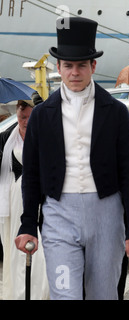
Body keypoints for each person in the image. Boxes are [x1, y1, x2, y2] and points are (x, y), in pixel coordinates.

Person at [14, 17, 129, 300]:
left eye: (81, 65)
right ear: (58, 68)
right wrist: (28, 224)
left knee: (103, 295)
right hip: (59, 214)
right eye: (68, 66)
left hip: (107, 212)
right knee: (66, 296)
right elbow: (32, 175)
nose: (75, 72)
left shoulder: (115, 112)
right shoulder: (41, 115)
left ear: (93, 66)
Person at [0, 94, 49, 300]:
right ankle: (16, 292)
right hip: (10, 202)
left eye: (28, 117)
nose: (24, 121)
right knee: (12, 251)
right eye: (21, 117)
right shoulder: (6, 138)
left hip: (34, 202)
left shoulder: (44, 136)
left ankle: (36, 293)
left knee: (38, 257)